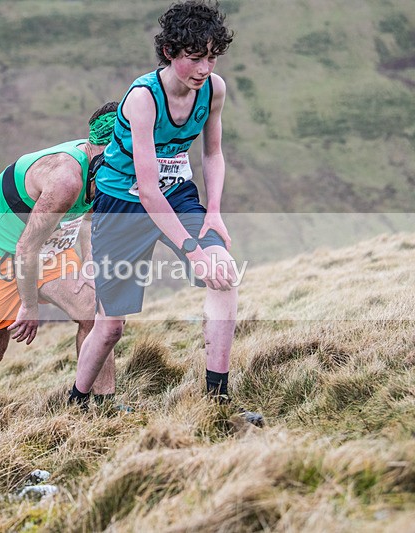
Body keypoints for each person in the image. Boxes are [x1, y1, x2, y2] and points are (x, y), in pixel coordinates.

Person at [69, 1, 263, 425]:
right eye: (194, 58)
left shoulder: (214, 90)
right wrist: (191, 249)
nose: (204, 69)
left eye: (211, 57)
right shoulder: (142, 99)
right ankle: (77, 402)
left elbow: (212, 153)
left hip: (177, 194)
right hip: (123, 203)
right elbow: (147, 189)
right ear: (170, 52)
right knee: (111, 326)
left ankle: (216, 398)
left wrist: (213, 212)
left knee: (223, 273)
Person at [0, 102, 120, 432]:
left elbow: (90, 219)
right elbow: (25, 250)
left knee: (96, 315)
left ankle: (103, 409)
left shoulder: (106, 168)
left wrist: (90, 265)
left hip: (52, 248)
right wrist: (30, 307)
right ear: (102, 151)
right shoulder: (66, 178)